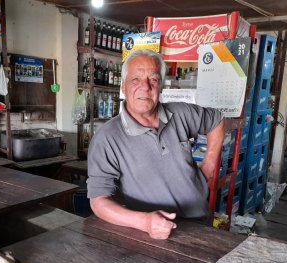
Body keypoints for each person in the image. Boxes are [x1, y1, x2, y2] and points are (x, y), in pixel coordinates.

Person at [87, 49, 224, 240]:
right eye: (135, 79)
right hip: (151, 236)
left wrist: (209, 164)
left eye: (153, 79)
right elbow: (99, 202)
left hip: (201, 223)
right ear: (123, 86)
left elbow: (217, 121)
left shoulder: (181, 113)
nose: (145, 87)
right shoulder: (107, 138)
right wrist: (144, 222)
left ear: (160, 86)